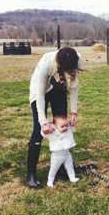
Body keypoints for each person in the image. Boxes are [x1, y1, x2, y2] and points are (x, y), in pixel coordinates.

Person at [26, 47, 83, 189]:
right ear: (59, 65)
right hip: (41, 90)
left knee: (62, 124)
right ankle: (31, 173)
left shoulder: (77, 59)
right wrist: (43, 122)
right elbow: (39, 95)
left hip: (59, 89)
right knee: (39, 129)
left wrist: (74, 112)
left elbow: (74, 86)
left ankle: (62, 167)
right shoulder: (47, 62)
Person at [41, 115, 79, 187]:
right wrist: (47, 125)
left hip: (67, 154)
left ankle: (72, 177)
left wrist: (71, 121)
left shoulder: (68, 131)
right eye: (62, 126)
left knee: (70, 166)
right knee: (53, 169)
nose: (65, 128)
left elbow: (71, 126)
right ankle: (50, 181)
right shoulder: (52, 133)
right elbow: (43, 133)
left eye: (66, 125)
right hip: (56, 156)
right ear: (55, 126)